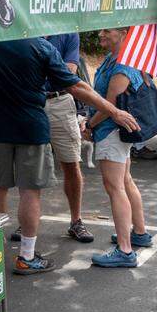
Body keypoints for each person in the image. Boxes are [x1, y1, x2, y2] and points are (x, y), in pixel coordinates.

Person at [0, 38, 139, 276]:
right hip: (30, 129)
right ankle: (26, 256)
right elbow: (77, 87)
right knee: (30, 191)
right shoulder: (40, 47)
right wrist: (114, 111)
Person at [85, 28, 154, 268]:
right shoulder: (116, 57)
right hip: (115, 132)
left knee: (115, 187)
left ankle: (125, 249)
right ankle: (139, 233)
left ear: (123, 33)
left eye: (107, 30)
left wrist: (89, 125)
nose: (100, 34)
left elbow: (110, 106)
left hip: (111, 131)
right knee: (125, 181)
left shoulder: (123, 64)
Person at [42, 32, 93, 242]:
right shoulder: (25, 26)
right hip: (30, 102)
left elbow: (70, 70)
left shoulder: (68, 32)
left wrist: (32, 70)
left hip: (60, 101)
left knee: (71, 164)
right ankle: (28, 221)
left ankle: (76, 221)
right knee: (31, 164)